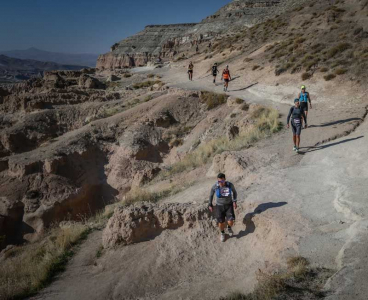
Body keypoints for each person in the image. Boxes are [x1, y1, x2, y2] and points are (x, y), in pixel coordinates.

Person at [209, 173, 238, 242]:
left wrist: (234, 201)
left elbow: (235, 192)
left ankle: (229, 227)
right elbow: (211, 195)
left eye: (222, 181)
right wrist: (210, 204)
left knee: (230, 222)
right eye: (219, 181)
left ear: (225, 179)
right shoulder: (215, 186)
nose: (221, 183)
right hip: (219, 206)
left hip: (229, 205)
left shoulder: (229, 185)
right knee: (221, 222)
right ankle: (222, 233)